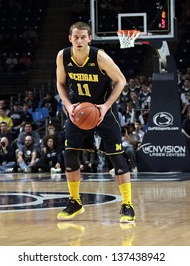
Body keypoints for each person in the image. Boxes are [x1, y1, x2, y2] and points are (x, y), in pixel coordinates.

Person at [56, 21, 135, 223]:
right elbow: (61, 83)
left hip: (103, 111)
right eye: (76, 37)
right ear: (70, 38)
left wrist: (106, 106)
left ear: (90, 39)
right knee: (70, 155)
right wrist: (68, 106)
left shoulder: (99, 57)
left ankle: (127, 205)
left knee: (117, 158)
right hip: (79, 110)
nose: (80, 40)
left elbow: (121, 80)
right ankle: (75, 202)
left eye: (83, 37)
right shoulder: (63, 56)